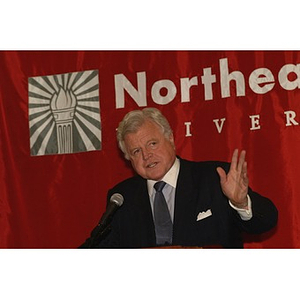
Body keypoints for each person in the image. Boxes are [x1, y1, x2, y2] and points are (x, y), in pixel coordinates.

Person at [80, 107, 278, 248]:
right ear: (128, 158)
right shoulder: (122, 197)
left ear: (171, 139)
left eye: (152, 144)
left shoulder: (215, 179)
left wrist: (241, 202)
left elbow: (266, 221)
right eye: (136, 151)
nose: (146, 155)